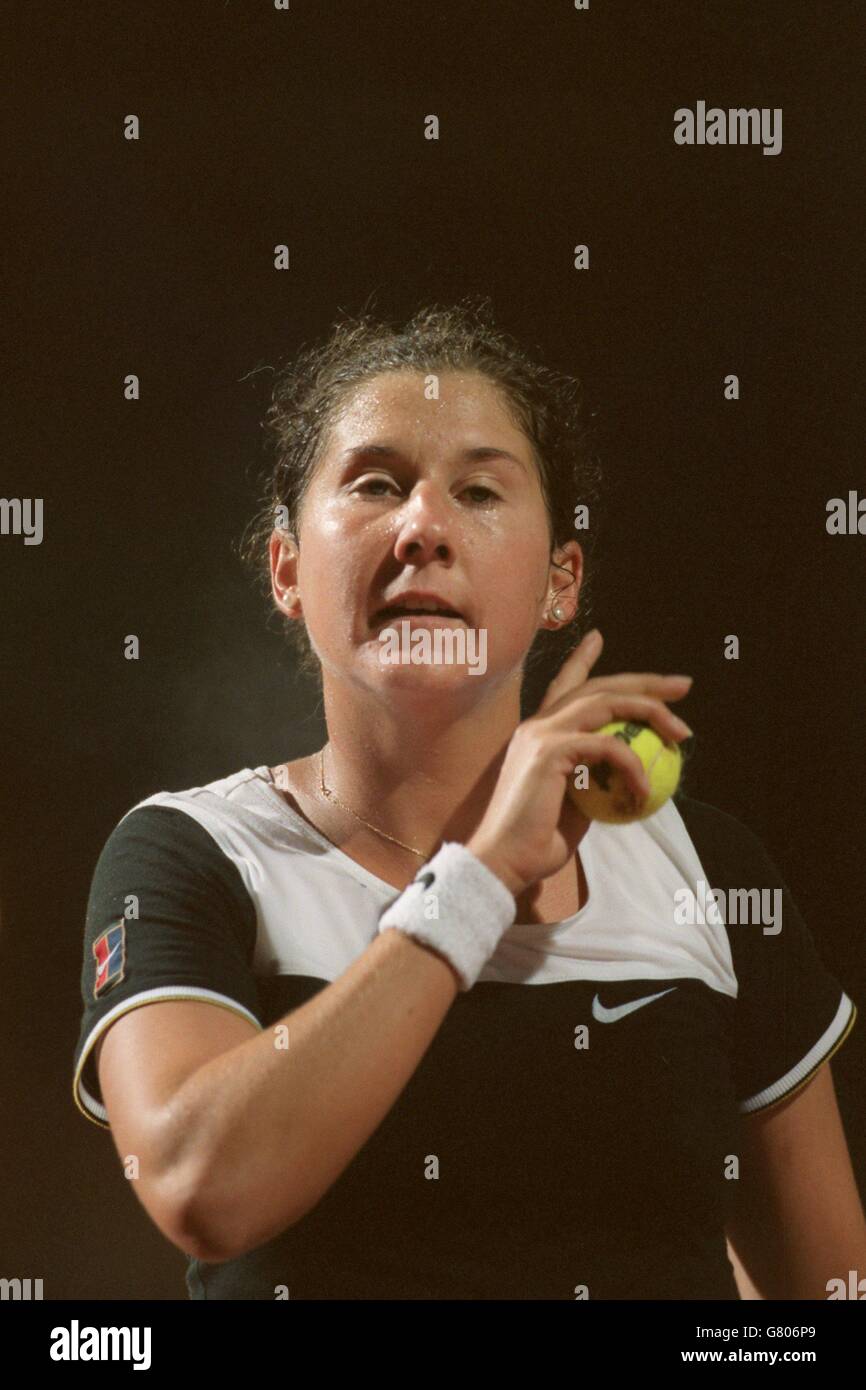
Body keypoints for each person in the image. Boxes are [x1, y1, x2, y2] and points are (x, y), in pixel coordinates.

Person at [72, 301, 864, 1300]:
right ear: (285, 570)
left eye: (479, 490)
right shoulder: (192, 853)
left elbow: (823, 1302)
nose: (421, 529)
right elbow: (197, 1184)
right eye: (373, 483)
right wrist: (481, 874)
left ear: (558, 583)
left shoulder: (705, 872)